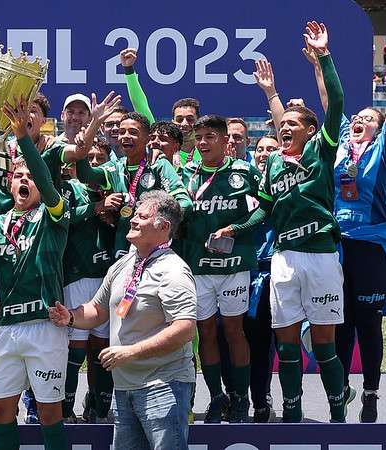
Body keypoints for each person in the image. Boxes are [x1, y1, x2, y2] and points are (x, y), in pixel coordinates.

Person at [307, 35, 386, 423]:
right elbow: (328, 103)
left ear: (377, 128)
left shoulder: (384, 150)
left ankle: (370, 393)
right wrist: (321, 63)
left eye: (368, 119)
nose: (359, 121)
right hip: (336, 248)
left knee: (369, 323)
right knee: (340, 322)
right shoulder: (338, 149)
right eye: (358, 118)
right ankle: (340, 393)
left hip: (370, 248)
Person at [49, 191, 197, 450]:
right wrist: (70, 316)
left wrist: (131, 352)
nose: (133, 220)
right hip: (125, 388)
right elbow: (97, 309)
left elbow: (184, 329)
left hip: (163, 387)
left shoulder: (174, 271)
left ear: (163, 227)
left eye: (142, 216)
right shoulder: (123, 265)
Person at [257, 21, 347, 423]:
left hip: (322, 256)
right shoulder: (275, 162)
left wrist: (323, 57)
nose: (285, 128)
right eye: (282, 125)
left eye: (295, 125)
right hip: (284, 259)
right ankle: (292, 416)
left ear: (313, 131)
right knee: (287, 346)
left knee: (325, 345)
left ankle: (337, 412)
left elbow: (338, 102)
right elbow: (262, 208)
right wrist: (236, 229)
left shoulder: (320, 153)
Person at [0, 98, 70, 450]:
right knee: (0, 410)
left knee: (48, 413)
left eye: (31, 177)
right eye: (18, 177)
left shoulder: (54, 215)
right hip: (8, 328)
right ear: (9, 186)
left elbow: (42, 173)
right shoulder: (0, 222)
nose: (25, 180)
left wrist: (24, 139)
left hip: (44, 325)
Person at [180, 115, 264, 423]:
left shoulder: (244, 172)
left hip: (234, 265)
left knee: (233, 330)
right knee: (205, 333)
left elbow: (265, 208)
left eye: (209, 137)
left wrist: (236, 229)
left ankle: (240, 399)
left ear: (225, 140)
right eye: (198, 137)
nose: (202, 143)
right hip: (199, 268)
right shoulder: (186, 174)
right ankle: (216, 397)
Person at [76, 111, 192, 259]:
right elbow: (85, 175)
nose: (125, 136)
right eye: (122, 132)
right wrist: (82, 146)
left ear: (147, 139)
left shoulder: (158, 165)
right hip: (123, 249)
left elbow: (185, 203)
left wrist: (156, 224)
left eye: (133, 132)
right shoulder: (114, 167)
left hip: (154, 250)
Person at [60, 139, 118, 423]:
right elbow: (62, 220)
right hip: (78, 274)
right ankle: (66, 408)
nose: (94, 163)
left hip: (109, 277)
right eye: (89, 158)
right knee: (76, 345)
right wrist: (96, 208)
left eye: (100, 158)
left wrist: (112, 212)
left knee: (103, 344)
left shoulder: (118, 188)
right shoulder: (68, 189)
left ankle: (99, 407)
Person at [119, 47, 202, 166]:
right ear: (173, 122)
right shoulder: (159, 141)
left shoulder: (206, 149)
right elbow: (140, 104)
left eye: (190, 119)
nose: (184, 124)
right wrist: (128, 69)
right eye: (179, 119)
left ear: (198, 121)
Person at [246, 135, 279, 423]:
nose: (264, 153)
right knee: (238, 339)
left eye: (271, 148)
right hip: (240, 270)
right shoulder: (241, 179)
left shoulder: (285, 180)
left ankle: (262, 397)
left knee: (264, 340)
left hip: (272, 270)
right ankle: (239, 397)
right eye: (259, 149)